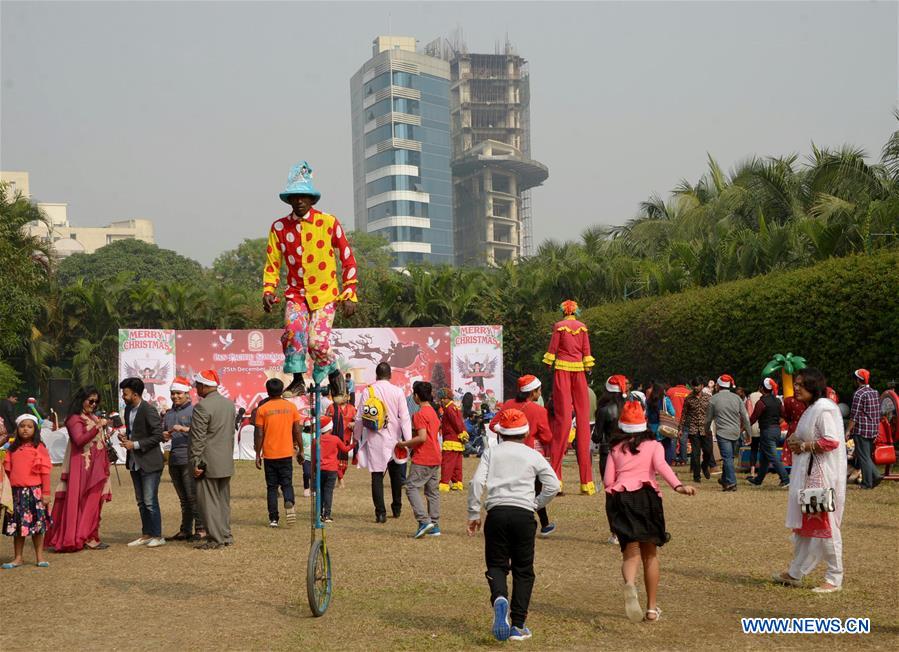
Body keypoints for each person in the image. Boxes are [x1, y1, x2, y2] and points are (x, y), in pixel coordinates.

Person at [261, 160, 359, 398]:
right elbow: (272, 263)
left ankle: (334, 373)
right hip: (296, 294)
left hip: (324, 294)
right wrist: (268, 290)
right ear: (289, 200)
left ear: (312, 199)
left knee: (316, 343)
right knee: (293, 332)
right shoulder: (279, 228)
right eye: (294, 197)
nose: (299, 201)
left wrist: (350, 292)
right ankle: (297, 381)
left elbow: (347, 257)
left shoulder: (328, 222)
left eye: (303, 196)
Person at [467, 408, 560, 641]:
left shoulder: (491, 453)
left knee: (497, 565)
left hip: (496, 513)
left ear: (500, 433)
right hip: (523, 515)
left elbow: (476, 482)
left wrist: (474, 513)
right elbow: (553, 484)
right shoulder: (533, 455)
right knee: (523, 570)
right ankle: (518, 625)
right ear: (526, 432)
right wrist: (536, 504)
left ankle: (500, 597)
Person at [604, 397, 696, 623]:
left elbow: (608, 481)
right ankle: (652, 609)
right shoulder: (654, 446)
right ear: (644, 423)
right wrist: (678, 486)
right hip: (647, 498)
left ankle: (629, 583)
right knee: (650, 554)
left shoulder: (615, 449)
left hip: (621, 498)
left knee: (631, 552)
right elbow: (662, 466)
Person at [773, 368, 847, 593]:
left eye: (800, 384)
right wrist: (795, 441)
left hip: (820, 477)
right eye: (795, 384)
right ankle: (796, 572)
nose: (796, 388)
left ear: (813, 387)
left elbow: (831, 441)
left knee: (825, 526)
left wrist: (804, 445)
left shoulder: (823, 409)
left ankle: (834, 577)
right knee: (805, 527)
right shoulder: (811, 409)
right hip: (808, 476)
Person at [46, 386, 112, 552]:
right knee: (84, 501)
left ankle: (90, 536)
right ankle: (80, 536)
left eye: (96, 402)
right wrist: (97, 427)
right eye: (91, 401)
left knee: (94, 502)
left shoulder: (91, 417)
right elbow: (79, 440)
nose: (94, 404)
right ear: (82, 400)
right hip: (82, 467)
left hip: (96, 467)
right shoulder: (74, 419)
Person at [490, 375, 556, 536]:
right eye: (539, 390)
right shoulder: (539, 411)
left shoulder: (508, 404)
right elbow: (547, 437)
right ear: (533, 392)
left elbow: (493, 425)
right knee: (534, 490)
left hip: (505, 454)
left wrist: (506, 432)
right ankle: (541, 524)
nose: (540, 392)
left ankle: (543, 524)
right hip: (528, 456)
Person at [543, 299, 596, 494]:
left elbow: (552, 349)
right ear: (575, 311)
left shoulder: (559, 326)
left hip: (563, 372)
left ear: (563, 311)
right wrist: (587, 367)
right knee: (583, 423)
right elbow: (587, 352)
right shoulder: (582, 327)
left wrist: (548, 364)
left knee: (563, 421)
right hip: (579, 372)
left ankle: (556, 479)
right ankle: (586, 482)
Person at [355, 362, 412, 523]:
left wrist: (356, 438)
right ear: (390, 375)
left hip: (375, 438)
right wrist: (408, 441)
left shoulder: (369, 391)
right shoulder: (397, 391)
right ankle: (397, 507)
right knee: (396, 475)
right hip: (395, 438)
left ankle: (380, 513)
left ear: (376, 375)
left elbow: (359, 417)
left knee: (377, 475)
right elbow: (405, 417)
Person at [190, 370, 237, 550]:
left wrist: (196, 462)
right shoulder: (229, 404)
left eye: (197, 385)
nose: (196, 389)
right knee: (223, 502)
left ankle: (215, 539)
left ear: (203, 386)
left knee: (208, 503)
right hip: (225, 460)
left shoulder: (202, 407)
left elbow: (198, 439)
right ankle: (225, 535)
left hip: (207, 462)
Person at [118, 377, 166, 548]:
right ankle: (147, 534)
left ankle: (158, 535)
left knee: (150, 501)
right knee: (141, 501)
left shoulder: (148, 409)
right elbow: (135, 432)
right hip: (134, 462)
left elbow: (158, 435)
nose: (123, 396)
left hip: (150, 462)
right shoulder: (128, 410)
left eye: (125, 393)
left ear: (135, 394)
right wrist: (126, 437)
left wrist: (135, 444)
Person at [2, 415, 52, 568]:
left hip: (35, 493)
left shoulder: (40, 448)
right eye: (22, 426)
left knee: (38, 527)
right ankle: (18, 558)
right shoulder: (11, 449)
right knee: (18, 528)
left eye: (29, 426)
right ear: (17, 429)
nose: (25, 429)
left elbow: (45, 472)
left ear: (35, 430)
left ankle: (40, 557)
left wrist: (46, 493)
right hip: (16, 494)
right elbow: (7, 473)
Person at [254, 378, 303, 528]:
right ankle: (289, 500)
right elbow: (297, 430)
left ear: (267, 391)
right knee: (287, 483)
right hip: (286, 453)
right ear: (282, 391)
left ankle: (273, 519)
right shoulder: (291, 407)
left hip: (269, 454)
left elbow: (259, 434)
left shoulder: (262, 409)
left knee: (272, 487)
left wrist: (257, 454)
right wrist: (301, 449)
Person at [396, 382, 442, 538]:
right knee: (432, 491)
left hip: (423, 457)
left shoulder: (419, 414)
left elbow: (422, 437)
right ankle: (434, 525)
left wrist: (404, 444)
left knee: (410, 487)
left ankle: (424, 521)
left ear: (416, 396)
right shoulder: (433, 412)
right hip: (435, 456)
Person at [163, 376, 204, 542]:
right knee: (183, 499)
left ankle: (201, 529)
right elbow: (163, 432)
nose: (175, 396)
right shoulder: (168, 414)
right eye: (173, 393)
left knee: (193, 496)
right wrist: (163, 435)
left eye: (178, 393)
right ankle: (185, 530)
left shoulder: (195, 411)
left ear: (187, 394)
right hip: (174, 459)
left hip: (190, 458)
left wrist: (184, 429)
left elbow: (203, 432)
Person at [705, 375, 750, 492]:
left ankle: (731, 483)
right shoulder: (737, 398)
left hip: (722, 432)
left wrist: (706, 430)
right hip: (735, 432)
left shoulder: (713, 399)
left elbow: (708, 419)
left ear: (718, 386)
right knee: (729, 457)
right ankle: (725, 479)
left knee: (727, 458)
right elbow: (745, 417)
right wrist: (748, 433)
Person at [747, 378, 788, 487]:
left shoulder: (761, 402)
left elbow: (753, 418)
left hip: (767, 431)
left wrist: (744, 427)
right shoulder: (778, 401)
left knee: (773, 457)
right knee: (764, 457)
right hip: (777, 430)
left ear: (761, 388)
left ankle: (785, 479)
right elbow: (784, 415)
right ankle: (758, 480)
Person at [846, 369, 882, 489]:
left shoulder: (859, 394)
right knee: (866, 455)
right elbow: (878, 412)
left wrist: (848, 430)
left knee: (863, 456)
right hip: (873, 430)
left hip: (861, 429)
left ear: (857, 380)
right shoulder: (875, 392)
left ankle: (869, 482)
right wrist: (877, 430)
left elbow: (854, 415)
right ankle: (873, 477)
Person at [317, 416, 353, 523]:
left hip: (320, 469)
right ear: (330, 428)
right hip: (332, 469)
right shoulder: (335, 439)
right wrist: (354, 444)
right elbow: (345, 449)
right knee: (328, 492)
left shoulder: (316, 440)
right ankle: (327, 515)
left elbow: (314, 457)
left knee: (321, 491)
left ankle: (319, 514)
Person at [678, 378, 712, 483]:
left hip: (705, 429)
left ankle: (704, 466)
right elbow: (684, 414)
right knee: (695, 453)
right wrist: (680, 428)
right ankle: (696, 476)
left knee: (708, 451)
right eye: (694, 385)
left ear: (702, 386)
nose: (696, 387)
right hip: (693, 429)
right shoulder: (688, 398)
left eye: (697, 385)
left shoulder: (708, 398)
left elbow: (713, 412)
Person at [438, 387, 467, 493]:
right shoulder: (454, 407)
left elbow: (456, 422)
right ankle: (457, 482)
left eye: (442, 398)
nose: (441, 401)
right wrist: (462, 433)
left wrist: (460, 432)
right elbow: (460, 422)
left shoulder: (449, 409)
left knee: (447, 462)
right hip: (457, 439)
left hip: (451, 439)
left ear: (446, 398)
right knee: (456, 464)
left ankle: (444, 483)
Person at [326, 396, 356, 489]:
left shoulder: (352, 408)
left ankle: (339, 478)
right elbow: (326, 421)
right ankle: (341, 479)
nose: (343, 398)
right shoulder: (331, 407)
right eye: (341, 395)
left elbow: (358, 422)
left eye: (345, 396)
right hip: (333, 437)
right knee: (335, 460)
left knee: (344, 463)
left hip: (346, 439)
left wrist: (353, 424)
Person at [646, 383, 676, 464]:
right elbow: (673, 412)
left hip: (652, 427)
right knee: (667, 446)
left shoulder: (649, 401)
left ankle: (654, 465)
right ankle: (666, 465)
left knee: (653, 448)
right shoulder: (665, 400)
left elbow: (647, 414)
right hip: (664, 426)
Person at [300, 420, 313, 498]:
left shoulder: (315, 435)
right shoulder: (302, 435)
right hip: (306, 458)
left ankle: (314, 489)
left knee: (314, 475)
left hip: (315, 458)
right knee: (307, 473)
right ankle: (306, 488)